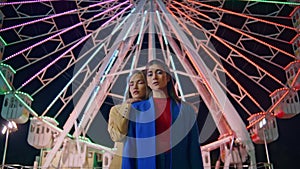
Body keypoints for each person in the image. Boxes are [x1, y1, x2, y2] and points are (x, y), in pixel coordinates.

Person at [122, 59, 204, 169]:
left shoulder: (186, 110)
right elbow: (130, 149)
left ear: (168, 77)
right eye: (150, 74)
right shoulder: (136, 110)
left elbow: (193, 148)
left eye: (159, 72)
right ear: (147, 81)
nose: (154, 77)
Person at [108, 70, 150, 169]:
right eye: (131, 84)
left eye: (140, 83)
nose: (135, 87)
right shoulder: (117, 110)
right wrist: (127, 107)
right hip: (123, 162)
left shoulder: (154, 111)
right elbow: (118, 135)